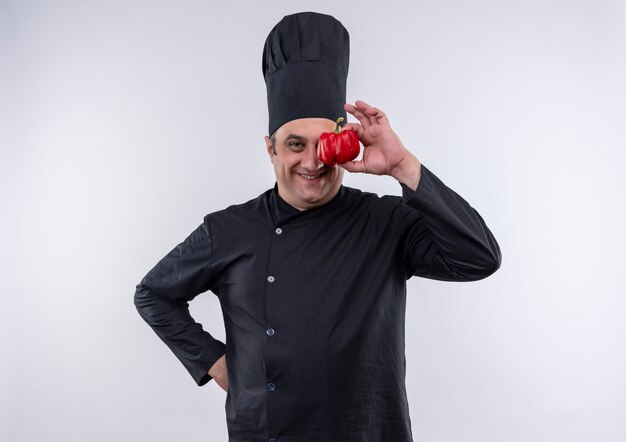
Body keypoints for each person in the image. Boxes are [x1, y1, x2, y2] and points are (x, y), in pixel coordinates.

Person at [134, 11, 501, 442]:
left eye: (324, 144)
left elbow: (480, 257)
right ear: (270, 149)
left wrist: (403, 166)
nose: (311, 163)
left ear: (344, 143)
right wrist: (214, 361)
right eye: (295, 145)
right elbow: (154, 293)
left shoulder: (385, 222)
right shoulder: (229, 230)